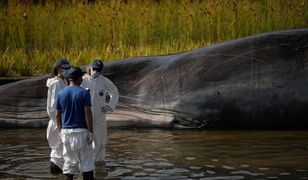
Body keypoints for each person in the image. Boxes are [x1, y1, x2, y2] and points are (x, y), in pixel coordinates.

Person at [55, 67, 95, 180]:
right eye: (81, 77)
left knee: (69, 163)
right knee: (87, 163)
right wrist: (91, 131)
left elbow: (57, 114)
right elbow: (88, 113)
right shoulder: (84, 93)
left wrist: (59, 131)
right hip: (82, 132)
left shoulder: (61, 93)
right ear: (78, 78)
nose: (82, 78)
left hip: (66, 133)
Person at [81, 59, 119, 164]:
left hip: (99, 114)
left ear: (101, 71)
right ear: (90, 68)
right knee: (84, 139)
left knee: (100, 141)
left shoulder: (104, 81)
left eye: (98, 70)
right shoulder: (83, 80)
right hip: (84, 114)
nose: (95, 72)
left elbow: (114, 92)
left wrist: (109, 105)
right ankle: (85, 163)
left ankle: (99, 164)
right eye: (94, 69)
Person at [46, 58, 70, 174]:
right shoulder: (56, 84)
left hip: (62, 120)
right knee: (57, 152)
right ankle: (55, 174)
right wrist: (60, 123)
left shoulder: (63, 82)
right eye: (64, 68)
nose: (67, 70)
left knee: (61, 150)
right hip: (57, 122)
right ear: (58, 69)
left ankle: (58, 175)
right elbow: (55, 106)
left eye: (68, 68)